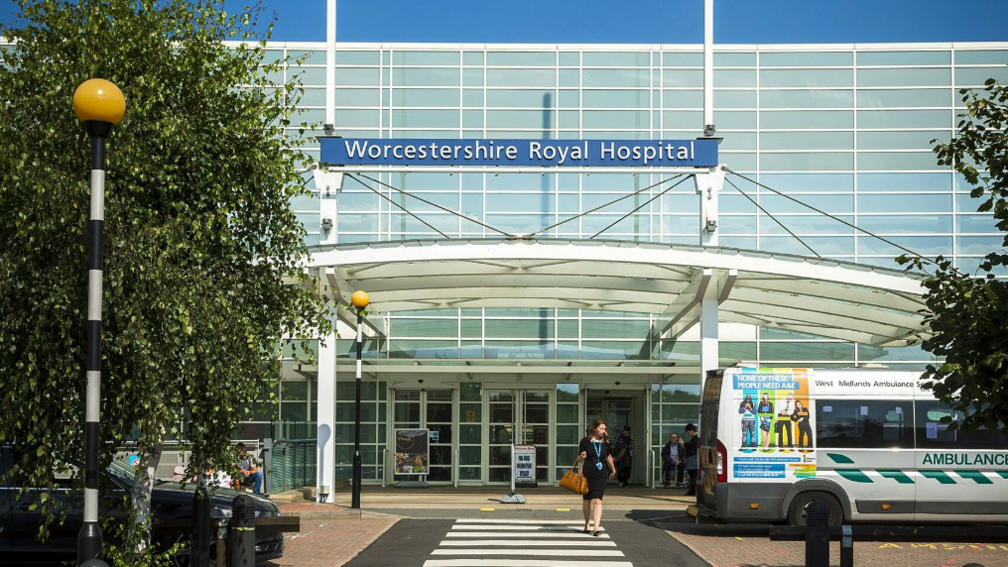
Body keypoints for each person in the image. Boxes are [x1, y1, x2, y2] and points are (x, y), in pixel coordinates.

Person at [576, 418, 616, 536]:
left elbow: (608, 457)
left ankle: (596, 527)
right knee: (587, 499)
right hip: (587, 472)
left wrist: (613, 469)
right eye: (601, 428)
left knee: (598, 500)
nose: (603, 431)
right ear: (594, 428)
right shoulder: (585, 441)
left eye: (604, 429)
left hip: (600, 474)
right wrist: (582, 456)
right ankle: (587, 523)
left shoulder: (606, 443)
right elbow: (579, 459)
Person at [682, 423, 699, 496]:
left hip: (693, 460)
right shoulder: (695, 438)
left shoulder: (696, 438)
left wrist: (683, 443)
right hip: (691, 460)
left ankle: (693, 490)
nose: (688, 434)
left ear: (692, 431)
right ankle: (692, 490)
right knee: (692, 476)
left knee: (693, 476)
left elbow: (691, 445)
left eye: (688, 432)